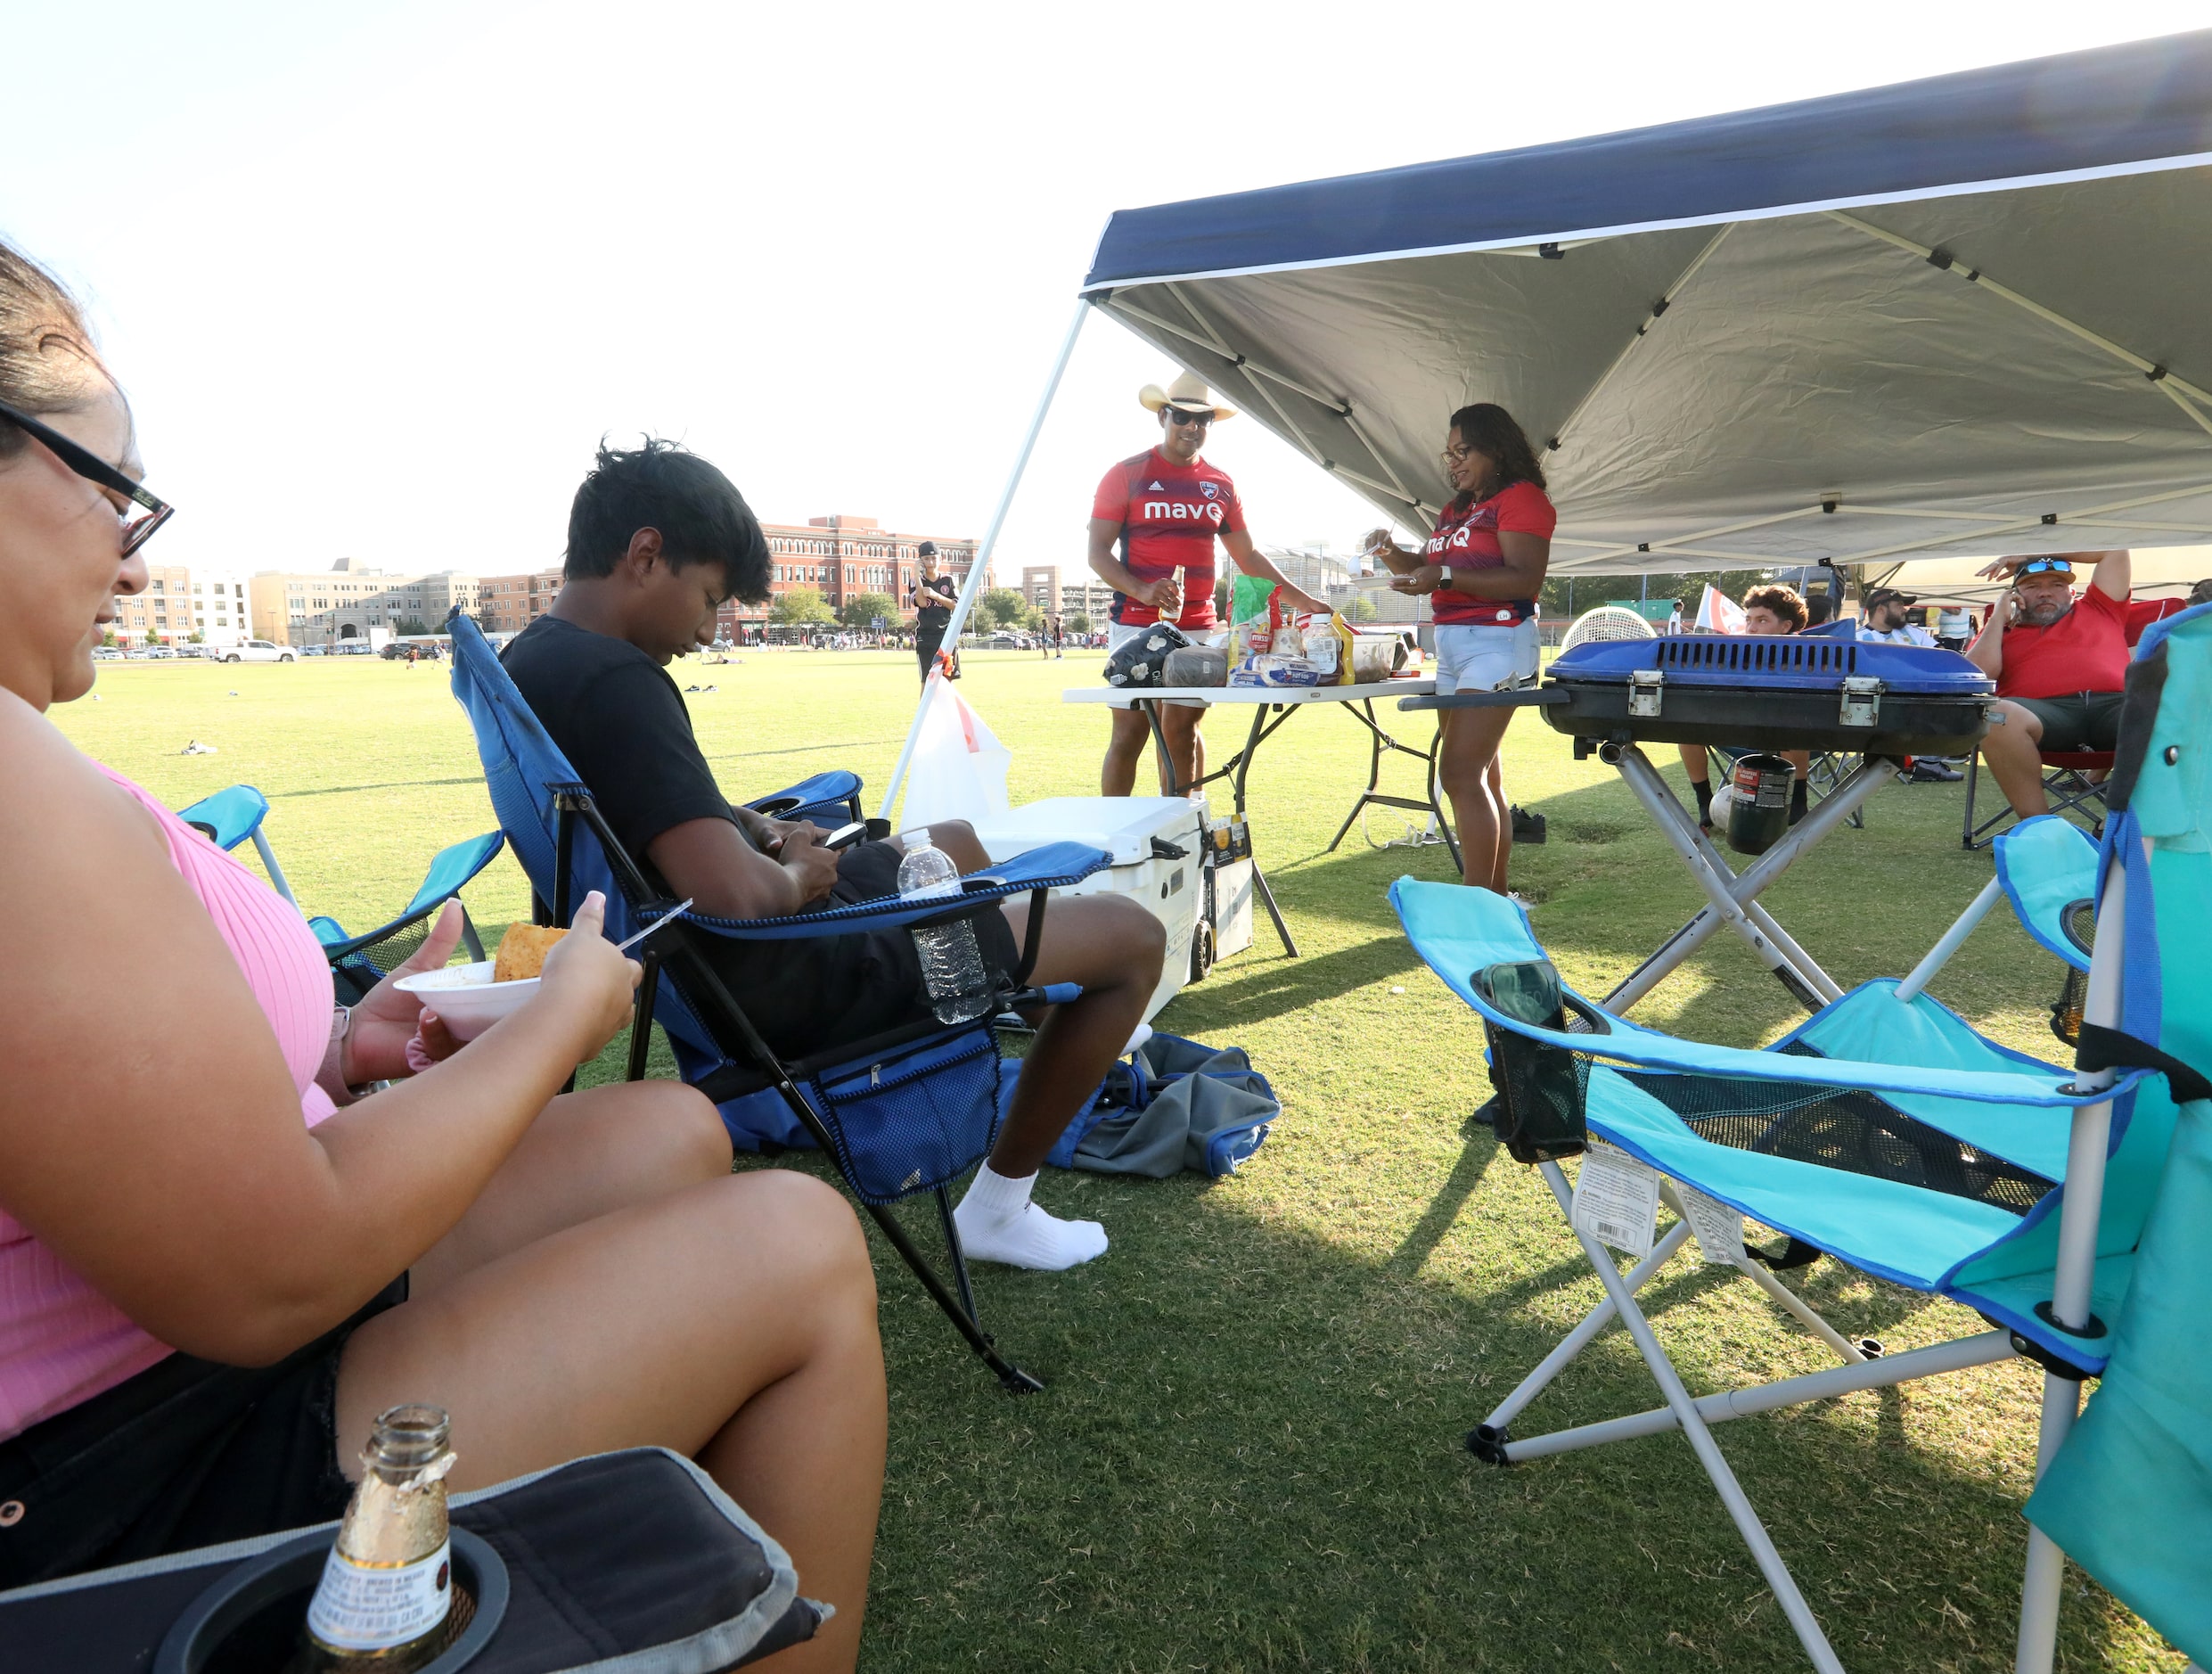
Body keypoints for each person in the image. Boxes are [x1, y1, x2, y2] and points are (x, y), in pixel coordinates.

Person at [0, 244, 881, 1670]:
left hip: (159, 1339)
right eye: (111, 488)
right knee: (798, 1244)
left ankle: (622, 1546)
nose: (135, 547)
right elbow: (270, 1275)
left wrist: (339, 1048)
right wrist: (558, 1021)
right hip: (133, 1458)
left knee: (665, 1128)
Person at [504, 439, 1166, 1273]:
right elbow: (740, 902)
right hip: (782, 976)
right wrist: (798, 873)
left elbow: (638, 807)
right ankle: (1001, 1204)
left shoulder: (535, 656)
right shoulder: (621, 684)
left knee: (951, 844)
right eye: (708, 599)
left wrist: (749, 825)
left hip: (686, 970)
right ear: (646, 556)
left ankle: (1058, 1017)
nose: (709, 632)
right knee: (1129, 935)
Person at [1086, 373, 1329, 796]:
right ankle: (1117, 840)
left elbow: (1249, 557)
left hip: (1197, 628)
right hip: (1136, 625)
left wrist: (1307, 601)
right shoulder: (1125, 475)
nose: (1192, 427)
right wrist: (1143, 590)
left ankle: (1185, 835)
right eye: (1182, 416)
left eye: (1203, 420)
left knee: (1181, 731)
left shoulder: (1220, 484)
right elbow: (1097, 554)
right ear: (1163, 416)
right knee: (1130, 733)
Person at [1362, 402, 1555, 893]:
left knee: (1460, 774)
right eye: (1449, 454)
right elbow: (1425, 571)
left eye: (1463, 451)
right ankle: (1497, 895)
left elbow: (1524, 577)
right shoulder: (1456, 510)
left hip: (1497, 640)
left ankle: (1479, 905)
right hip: (1453, 645)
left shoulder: (1523, 497)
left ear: (1496, 448)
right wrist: (1390, 554)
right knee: (1482, 779)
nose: (1453, 462)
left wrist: (1444, 574)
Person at [1964, 551, 2133, 819]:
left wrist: (2029, 555)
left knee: (2166, 703)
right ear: (2014, 596)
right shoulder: (2000, 631)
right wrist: (1998, 618)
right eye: (2032, 586)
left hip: (2117, 708)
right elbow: (1976, 677)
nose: (2046, 593)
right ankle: (2042, 829)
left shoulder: (2100, 607)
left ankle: (2130, 828)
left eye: (2057, 585)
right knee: (1997, 714)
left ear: (2071, 593)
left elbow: (2114, 550)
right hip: (2044, 717)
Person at [1677, 584, 1816, 829]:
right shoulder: (1732, 654)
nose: (1751, 627)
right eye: (1748, 619)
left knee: (1796, 721)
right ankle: (1704, 803)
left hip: (1794, 735)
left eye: (1762, 620)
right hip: (1739, 730)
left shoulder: (1811, 656)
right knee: (1686, 730)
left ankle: (1797, 802)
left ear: (1786, 627)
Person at [1856, 587, 1960, 782]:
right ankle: (1922, 763)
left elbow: (1943, 657)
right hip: (1878, 706)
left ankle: (1927, 764)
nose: (1905, 610)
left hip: (1919, 701)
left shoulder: (1914, 634)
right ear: (1881, 609)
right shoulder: (1857, 639)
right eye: (1899, 605)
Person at [909, 542, 956, 684]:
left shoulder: (948, 580)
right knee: (927, 680)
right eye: (926, 559)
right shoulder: (915, 581)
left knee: (947, 679)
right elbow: (922, 603)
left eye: (934, 558)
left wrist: (936, 596)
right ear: (920, 561)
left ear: (940, 559)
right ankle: (925, 707)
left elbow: (956, 606)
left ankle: (946, 707)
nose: (931, 562)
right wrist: (917, 576)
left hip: (947, 635)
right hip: (926, 637)